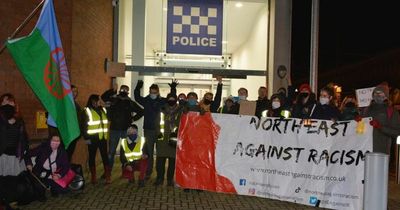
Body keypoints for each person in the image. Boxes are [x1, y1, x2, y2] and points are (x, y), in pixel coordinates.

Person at [134, 79, 177, 179]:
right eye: (151, 92)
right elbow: (137, 97)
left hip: (160, 132)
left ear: (158, 92)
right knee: (149, 152)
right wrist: (137, 87)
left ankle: (159, 174)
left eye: (154, 92)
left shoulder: (162, 101)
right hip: (148, 130)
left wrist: (173, 88)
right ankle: (148, 172)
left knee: (160, 153)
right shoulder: (146, 100)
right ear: (149, 92)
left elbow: (171, 99)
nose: (152, 94)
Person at [101, 84, 143, 172]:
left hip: (126, 131)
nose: (123, 91)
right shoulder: (114, 99)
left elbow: (141, 111)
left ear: (128, 92)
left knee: (126, 153)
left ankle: (126, 171)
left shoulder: (130, 102)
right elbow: (103, 97)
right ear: (119, 90)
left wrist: (133, 119)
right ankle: (108, 173)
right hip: (114, 130)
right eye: (122, 89)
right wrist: (112, 90)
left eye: (125, 90)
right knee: (111, 153)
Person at [155, 93, 184, 187]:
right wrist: (157, 132)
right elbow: (157, 122)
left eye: (173, 99)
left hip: (173, 139)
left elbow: (182, 124)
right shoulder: (162, 109)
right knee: (160, 161)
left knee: (172, 161)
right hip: (162, 139)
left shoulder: (180, 110)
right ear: (167, 100)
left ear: (176, 100)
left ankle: (170, 180)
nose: (171, 100)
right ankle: (159, 178)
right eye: (169, 99)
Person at [365, 83, 400, 154]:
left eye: (381, 93)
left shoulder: (392, 111)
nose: (378, 95)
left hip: (382, 152)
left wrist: (380, 127)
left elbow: (397, 132)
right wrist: (357, 121)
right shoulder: (366, 110)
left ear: (386, 96)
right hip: (365, 150)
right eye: (376, 93)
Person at [83, 94, 111, 184]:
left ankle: (107, 177)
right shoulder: (87, 110)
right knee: (92, 157)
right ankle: (93, 177)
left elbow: (110, 108)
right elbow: (83, 126)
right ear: (92, 101)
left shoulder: (103, 110)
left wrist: (103, 104)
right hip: (92, 138)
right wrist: (86, 138)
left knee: (105, 157)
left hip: (102, 138)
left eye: (99, 101)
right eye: (96, 101)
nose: (97, 102)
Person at [0, 101, 28, 177]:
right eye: (4, 102)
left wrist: (28, 162)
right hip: (2, 157)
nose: (8, 104)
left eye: (10, 102)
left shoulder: (20, 121)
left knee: (16, 182)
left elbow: (24, 141)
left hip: (16, 157)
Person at [65, 85, 84, 162]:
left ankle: (66, 171)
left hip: (74, 135)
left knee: (69, 155)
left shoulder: (76, 105)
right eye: (72, 91)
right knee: (64, 155)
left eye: (76, 91)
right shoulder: (65, 104)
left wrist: (80, 133)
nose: (74, 93)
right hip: (67, 135)